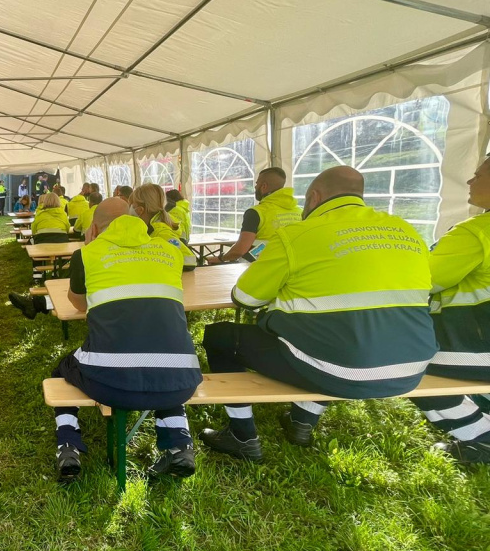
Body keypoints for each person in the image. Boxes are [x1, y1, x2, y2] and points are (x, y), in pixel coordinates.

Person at [200, 166, 438, 460]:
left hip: (342, 369)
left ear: (313, 197)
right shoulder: (406, 229)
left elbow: (245, 299)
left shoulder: (298, 235)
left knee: (219, 336)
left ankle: (242, 436)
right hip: (411, 367)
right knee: (335, 335)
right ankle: (301, 422)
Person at [50, 198, 203, 481]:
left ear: (94, 229)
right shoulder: (168, 251)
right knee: (162, 360)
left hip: (110, 383)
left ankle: (67, 443)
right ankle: (180, 445)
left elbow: (80, 305)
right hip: (182, 381)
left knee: (62, 369)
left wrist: (91, 249)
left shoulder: (87, 254)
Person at [411, 156, 490, 464]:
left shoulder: (475, 232)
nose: (470, 181)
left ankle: (480, 439)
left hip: (479, 347)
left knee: (404, 367)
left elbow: (425, 281)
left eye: (478, 175)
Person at [208, 167, 301, 264]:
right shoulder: (299, 211)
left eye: (257, 184)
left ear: (264, 186)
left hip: (259, 266)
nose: (255, 187)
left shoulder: (256, 213)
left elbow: (240, 250)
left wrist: (221, 258)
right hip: (290, 265)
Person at [130, 185, 197, 271]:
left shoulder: (160, 233)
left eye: (132, 205)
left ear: (140, 210)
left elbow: (189, 261)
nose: (130, 209)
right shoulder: (148, 229)